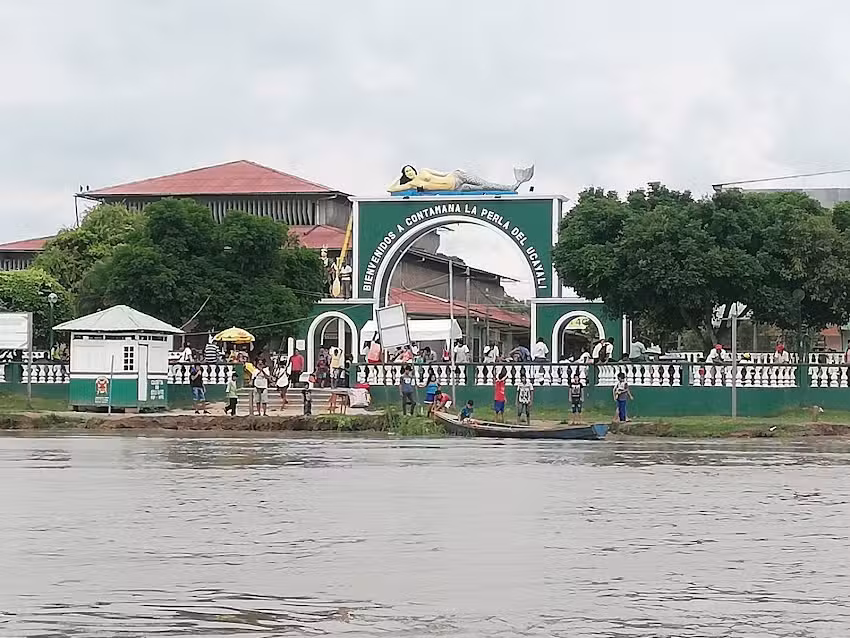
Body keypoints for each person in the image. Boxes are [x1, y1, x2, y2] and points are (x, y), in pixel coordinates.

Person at [387, 165, 534, 193]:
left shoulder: (424, 171)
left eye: (410, 169)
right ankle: (512, 186)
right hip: (456, 188)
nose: (410, 172)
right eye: (406, 172)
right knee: (483, 189)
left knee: (485, 184)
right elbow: (390, 189)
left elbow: (442, 173)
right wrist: (399, 177)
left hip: (456, 176)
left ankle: (511, 187)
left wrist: (455, 172)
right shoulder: (412, 184)